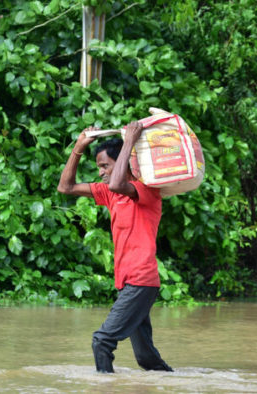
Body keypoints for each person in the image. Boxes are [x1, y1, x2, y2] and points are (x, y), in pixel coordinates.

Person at [57, 121, 174, 373]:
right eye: (99, 166)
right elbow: (65, 187)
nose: (100, 172)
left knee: (102, 341)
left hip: (141, 281)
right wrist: (78, 148)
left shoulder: (146, 190)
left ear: (123, 160)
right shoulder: (112, 195)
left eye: (104, 166)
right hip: (128, 283)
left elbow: (118, 184)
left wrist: (129, 142)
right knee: (146, 359)